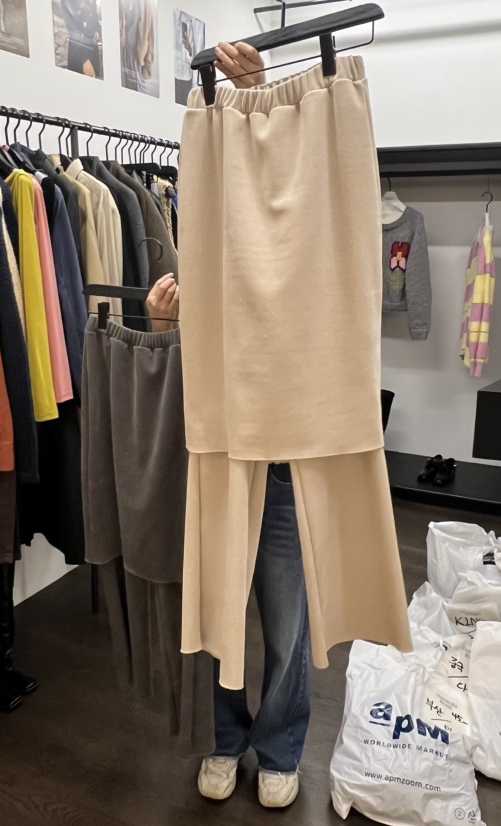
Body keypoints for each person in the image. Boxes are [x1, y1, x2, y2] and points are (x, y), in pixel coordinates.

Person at [147, 44, 310, 811]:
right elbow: (186, 373)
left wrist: (256, 98)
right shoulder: (205, 240)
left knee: (286, 620)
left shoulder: (301, 246)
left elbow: (286, 193)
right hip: (217, 454)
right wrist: (163, 329)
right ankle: (222, 738)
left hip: (282, 459)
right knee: (218, 613)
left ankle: (279, 745)